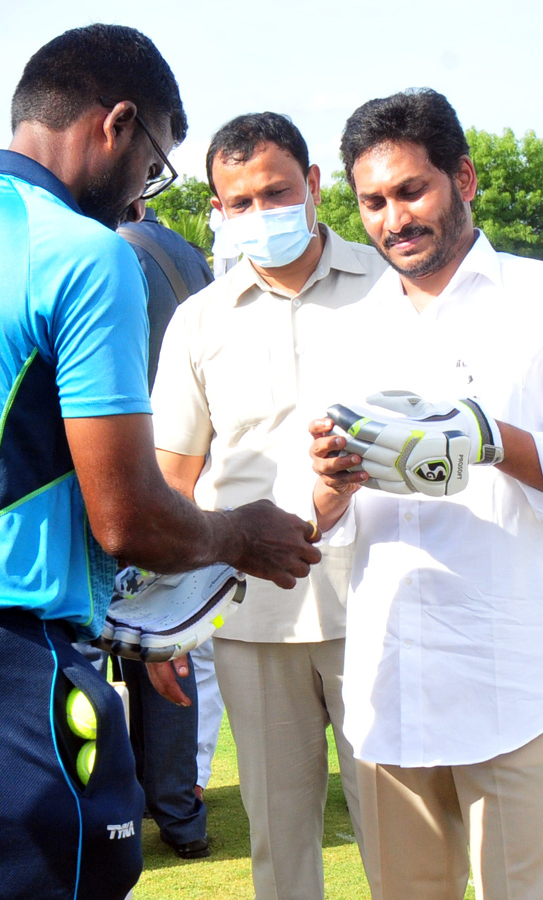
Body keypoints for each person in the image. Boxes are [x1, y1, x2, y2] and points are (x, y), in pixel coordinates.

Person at [0, 26, 322, 900]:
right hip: (33, 650)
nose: (144, 192)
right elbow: (129, 515)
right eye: (158, 162)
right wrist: (238, 537)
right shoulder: (89, 254)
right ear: (118, 125)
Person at [309, 87, 543, 900]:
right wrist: (327, 491)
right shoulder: (348, 330)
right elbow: (311, 521)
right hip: (387, 687)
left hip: (513, 684)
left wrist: (494, 439)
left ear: (465, 178)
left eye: (412, 190)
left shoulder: (535, 303)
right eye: (372, 201)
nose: (392, 219)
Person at [148, 112, 385, 899]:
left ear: (314, 186)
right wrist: (167, 618)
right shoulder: (198, 322)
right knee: (279, 849)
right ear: (215, 210)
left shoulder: (391, 290)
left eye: (275, 193)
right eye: (237, 202)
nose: (259, 214)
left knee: (401, 836)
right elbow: (173, 481)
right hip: (253, 616)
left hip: (380, 605)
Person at [115, 198, 214, 859]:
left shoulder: (108, 251)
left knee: (133, 652)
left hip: (124, 470)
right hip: (185, 473)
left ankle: (129, 810)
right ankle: (180, 812)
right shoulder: (188, 254)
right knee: (169, 645)